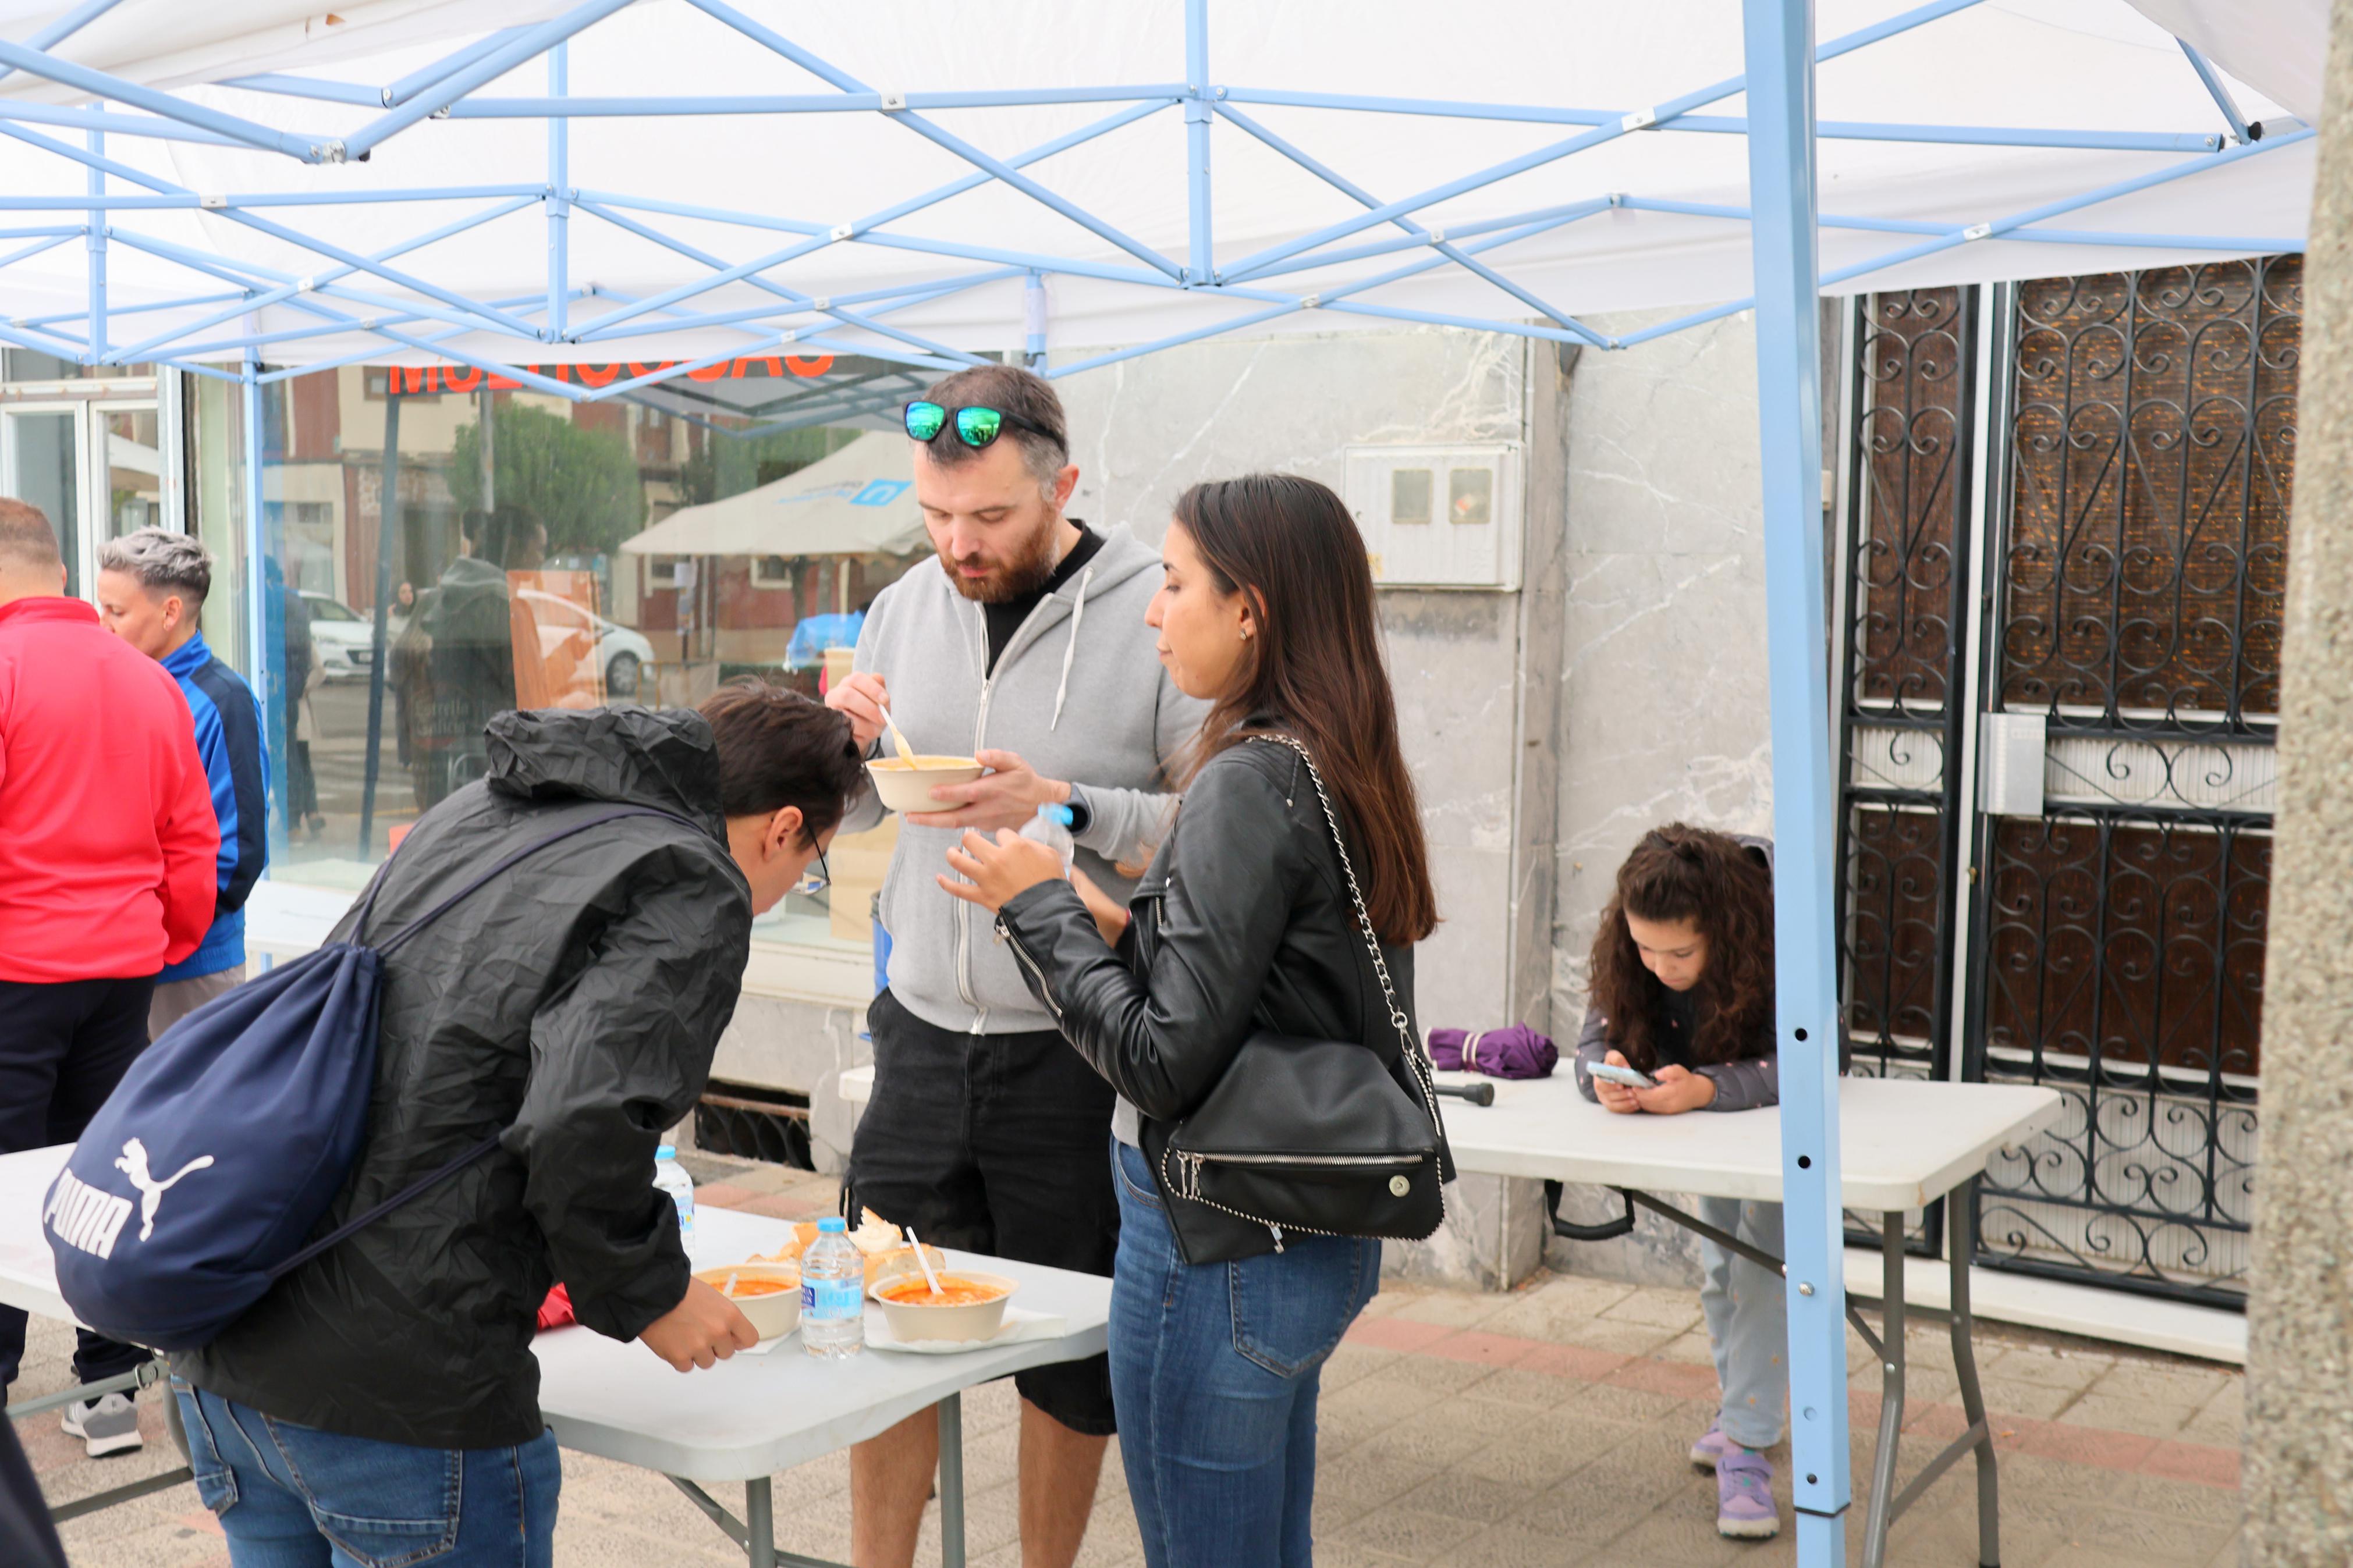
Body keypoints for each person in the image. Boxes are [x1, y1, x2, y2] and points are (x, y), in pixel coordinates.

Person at [173, 682, 868, 1567]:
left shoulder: (491, 804)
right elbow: (580, 1117)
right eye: (811, 863)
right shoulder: (692, 879)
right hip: (404, 1395)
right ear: (782, 826)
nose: (788, 886)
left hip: (236, 1339)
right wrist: (649, 1290)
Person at [948, 474, 1441, 1568]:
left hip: (1214, 1244)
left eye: (1174, 583)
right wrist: (1104, 921)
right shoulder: (1335, 757)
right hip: (1302, 1229)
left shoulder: (1244, 781)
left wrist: (1034, 912)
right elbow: (1251, 990)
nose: (1151, 610)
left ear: (1249, 609)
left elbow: (1163, 1061)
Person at [823, 364, 1208, 1568]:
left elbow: (1213, 824)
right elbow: (847, 824)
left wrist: (1065, 806)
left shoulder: (1156, 605)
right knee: (886, 1324)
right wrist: (833, 748)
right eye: (938, 518)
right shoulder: (898, 607)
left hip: (1076, 1045)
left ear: (1062, 487)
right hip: (921, 1034)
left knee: (1068, 1352)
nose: (959, 544)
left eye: (988, 519)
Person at [0, 499, 218, 1457]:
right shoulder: (148, 680)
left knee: (3, 1186)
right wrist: (161, 936)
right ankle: (110, 1388)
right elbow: (190, 839)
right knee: (103, 1178)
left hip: (16, 972)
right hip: (123, 966)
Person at [1571, 823, 1788, 1540]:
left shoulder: (1781, 930)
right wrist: (1605, 1076)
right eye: (1644, 947)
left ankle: (1748, 1446)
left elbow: (1815, 1058)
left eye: (1680, 952)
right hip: (1713, 1133)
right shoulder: (1628, 952)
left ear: (1723, 932)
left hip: (1790, 1141)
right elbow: (1588, 1044)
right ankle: (1741, 1415)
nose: (1658, 965)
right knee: (1723, 1271)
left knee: (1760, 1276)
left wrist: (1704, 1088)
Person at [95, 529, 271, 1040]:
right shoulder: (114, 685)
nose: (102, 625)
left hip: (190, 970)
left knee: (189, 1115)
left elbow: (239, 855)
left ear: (170, 612)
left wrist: (162, 934)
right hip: (120, 960)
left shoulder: (225, 701)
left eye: (116, 611)